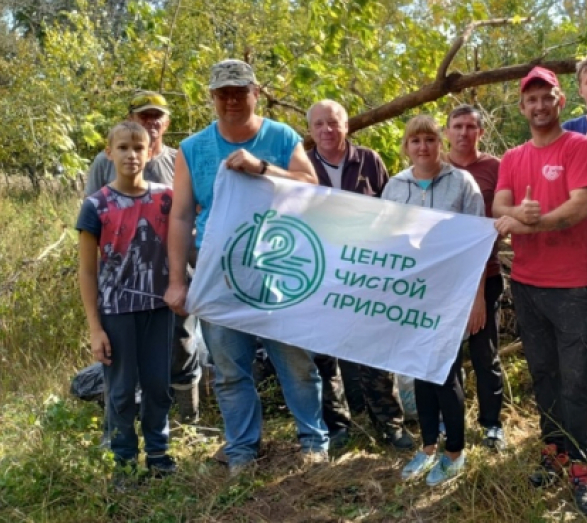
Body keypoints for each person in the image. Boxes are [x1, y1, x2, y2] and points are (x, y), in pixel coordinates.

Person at [164, 59, 328, 476]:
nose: (231, 100)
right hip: (217, 273)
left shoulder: (280, 136)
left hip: (278, 268)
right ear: (213, 97)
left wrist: (262, 169)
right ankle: (241, 451)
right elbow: (181, 216)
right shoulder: (192, 149)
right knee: (229, 369)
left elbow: (311, 188)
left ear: (256, 92)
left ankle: (313, 442)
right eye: (223, 93)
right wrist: (177, 281)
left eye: (239, 91)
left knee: (295, 362)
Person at [493, 67, 587, 516]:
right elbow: (499, 207)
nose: (538, 106)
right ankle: (553, 448)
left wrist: (532, 221)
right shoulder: (512, 158)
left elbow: (581, 207)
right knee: (543, 373)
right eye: (530, 100)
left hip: (575, 283)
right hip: (527, 282)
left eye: (546, 97)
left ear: (561, 102)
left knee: (577, 378)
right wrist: (520, 213)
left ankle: (581, 465)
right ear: (522, 107)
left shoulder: (579, 147)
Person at [381, 114, 487, 487]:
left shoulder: (462, 182)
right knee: (419, 370)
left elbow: (477, 243)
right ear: (406, 146)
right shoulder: (395, 186)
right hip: (411, 296)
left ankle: (455, 452)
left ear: (439, 143)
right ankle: (427, 447)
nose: (422, 146)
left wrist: (477, 299)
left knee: (444, 373)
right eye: (415, 141)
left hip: (451, 293)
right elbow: (385, 242)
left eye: (429, 139)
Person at [85, 91, 201, 423]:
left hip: (175, 276)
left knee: (182, 345)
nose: (151, 122)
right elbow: (91, 221)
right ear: (131, 118)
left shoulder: (180, 160)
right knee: (127, 358)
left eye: (157, 116)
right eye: (144, 116)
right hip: (121, 286)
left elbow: (194, 215)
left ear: (167, 122)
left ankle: (187, 421)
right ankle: (127, 427)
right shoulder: (103, 162)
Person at [306, 99, 414, 451]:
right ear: (310, 130)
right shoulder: (301, 166)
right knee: (324, 356)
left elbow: (390, 212)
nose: (327, 130)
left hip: (366, 273)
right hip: (320, 275)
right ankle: (336, 427)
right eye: (319, 124)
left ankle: (389, 425)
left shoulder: (369, 159)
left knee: (375, 352)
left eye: (333, 122)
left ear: (346, 125)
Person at [77, 121, 176, 489]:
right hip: (116, 311)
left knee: (157, 385)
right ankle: (123, 461)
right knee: (120, 389)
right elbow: (87, 272)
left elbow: (187, 241)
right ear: (109, 152)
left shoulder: (167, 198)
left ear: (151, 152)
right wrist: (95, 327)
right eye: (123, 148)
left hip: (158, 308)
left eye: (139, 147)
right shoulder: (96, 205)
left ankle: (158, 453)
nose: (131, 155)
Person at [445, 104, 507, 451]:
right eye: (457, 126)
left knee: (486, 354)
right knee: (445, 354)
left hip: (488, 274)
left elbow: (501, 218)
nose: (464, 133)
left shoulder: (495, 168)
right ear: (447, 131)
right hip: (444, 281)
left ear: (480, 132)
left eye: (471, 127)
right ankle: (450, 422)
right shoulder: (436, 170)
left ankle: (491, 425)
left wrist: (479, 294)